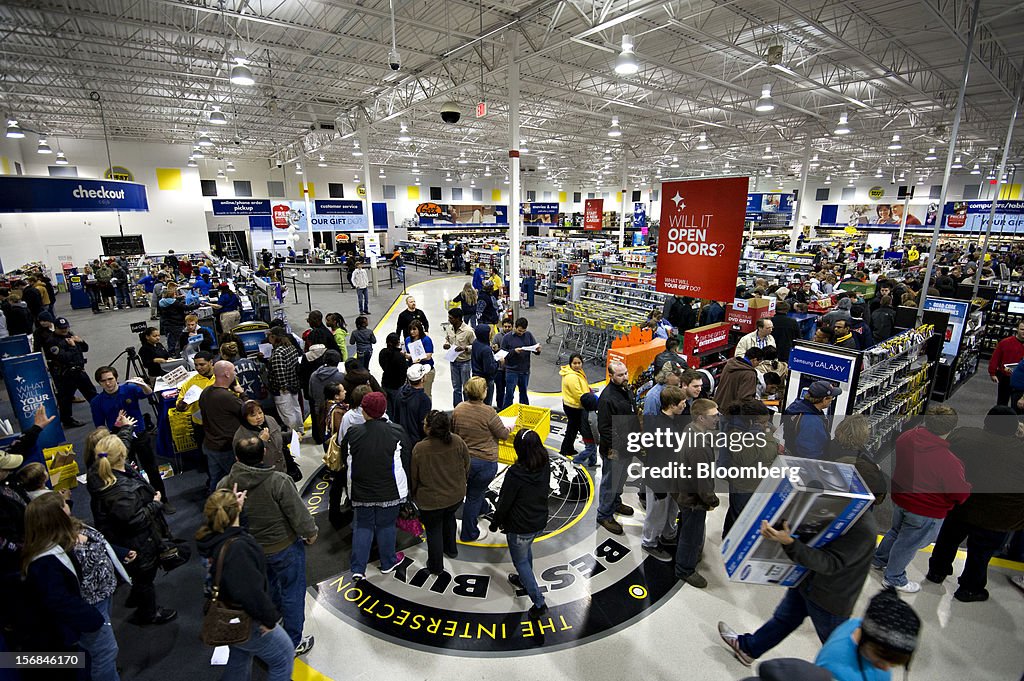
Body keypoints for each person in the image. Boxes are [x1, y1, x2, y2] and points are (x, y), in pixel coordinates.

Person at [718, 504, 878, 667]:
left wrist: (790, 543)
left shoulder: (863, 529)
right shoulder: (842, 510)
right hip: (807, 582)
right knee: (784, 620)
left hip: (831, 598)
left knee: (840, 646)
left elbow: (829, 563)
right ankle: (748, 649)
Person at [219, 435, 317, 654]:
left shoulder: (225, 484)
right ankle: (293, 642)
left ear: (236, 457)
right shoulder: (278, 481)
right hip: (284, 548)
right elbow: (298, 514)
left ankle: (275, 619)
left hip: (252, 552)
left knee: (270, 586)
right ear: (264, 452)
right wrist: (310, 533)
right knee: (292, 591)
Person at [21, 491, 130, 681]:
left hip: (102, 598)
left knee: (97, 653)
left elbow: (97, 544)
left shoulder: (66, 530)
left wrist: (120, 553)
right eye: (65, 503)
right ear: (57, 516)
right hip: (89, 609)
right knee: (106, 652)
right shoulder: (44, 561)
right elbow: (59, 600)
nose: (69, 503)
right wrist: (91, 619)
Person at [194, 488, 295, 681]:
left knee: (240, 656)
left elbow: (235, 531)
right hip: (248, 620)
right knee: (283, 657)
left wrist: (236, 509)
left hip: (228, 615)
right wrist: (269, 620)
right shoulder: (238, 550)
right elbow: (250, 593)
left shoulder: (210, 536)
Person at [926, 406, 1024, 601]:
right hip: (1000, 515)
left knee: (948, 538)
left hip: (962, 504)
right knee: (981, 551)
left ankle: (937, 571)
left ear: (986, 422)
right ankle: (970, 588)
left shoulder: (964, 436)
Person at [873, 406, 970, 593]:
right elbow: (959, 493)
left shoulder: (907, 437)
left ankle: (879, 559)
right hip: (925, 510)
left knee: (895, 532)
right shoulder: (949, 461)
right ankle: (894, 578)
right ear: (951, 428)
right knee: (908, 543)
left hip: (901, 499)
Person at [87, 433, 177, 625]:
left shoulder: (99, 469)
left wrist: (126, 430)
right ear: (123, 454)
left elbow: (121, 443)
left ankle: (136, 594)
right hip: (137, 541)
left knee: (139, 575)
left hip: (120, 536)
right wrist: (155, 504)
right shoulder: (121, 492)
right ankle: (149, 613)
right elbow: (135, 521)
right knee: (145, 576)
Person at [339, 392, 412, 580]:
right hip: (390, 490)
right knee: (386, 525)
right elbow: (406, 460)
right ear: (384, 410)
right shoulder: (396, 431)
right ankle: (388, 562)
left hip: (361, 490)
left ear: (364, 411)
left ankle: (357, 568)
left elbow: (344, 460)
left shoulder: (353, 433)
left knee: (362, 526)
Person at [491, 429, 550, 618]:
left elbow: (504, 503)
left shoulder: (516, 474)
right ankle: (525, 580)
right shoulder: (545, 463)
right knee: (526, 553)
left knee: (521, 561)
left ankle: (539, 602)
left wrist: (495, 523)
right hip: (539, 520)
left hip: (520, 526)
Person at [91, 366, 169, 508]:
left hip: (140, 434)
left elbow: (149, 393)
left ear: (116, 378)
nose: (108, 383)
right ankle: (141, 503)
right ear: (99, 383)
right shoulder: (97, 402)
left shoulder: (129, 389)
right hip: (118, 439)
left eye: (111, 379)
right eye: (104, 381)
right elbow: (100, 426)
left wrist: (143, 385)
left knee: (151, 468)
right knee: (129, 472)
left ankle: (163, 499)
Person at [814, 589, 921, 681]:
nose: (886, 668)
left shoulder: (858, 624)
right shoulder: (837, 670)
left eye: (892, 665)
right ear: (865, 639)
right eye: (881, 660)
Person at [410, 410, 470, 575]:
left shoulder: (420, 449)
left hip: (431, 501)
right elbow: (467, 464)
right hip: (456, 496)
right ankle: (451, 549)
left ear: (429, 428)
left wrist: (414, 495)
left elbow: (414, 477)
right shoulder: (457, 441)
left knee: (434, 530)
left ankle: (436, 566)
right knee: (449, 519)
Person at [452, 377, 510, 543]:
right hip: (485, 462)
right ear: (483, 392)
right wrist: (508, 428)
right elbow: (503, 435)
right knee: (473, 496)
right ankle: (468, 533)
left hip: (463, 461)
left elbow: (454, 431)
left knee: (474, 493)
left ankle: (482, 508)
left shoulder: (459, 408)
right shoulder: (489, 412)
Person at [670, 398, 721, 588]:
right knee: (692, 536)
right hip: (693, 498)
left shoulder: (690, 428)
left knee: (686, 528)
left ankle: (683, 556)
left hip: (682, 491)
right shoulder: (698, 446)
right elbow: (703, 481)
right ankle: (684, 569)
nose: (718, 418)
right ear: (701, 418)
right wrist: (712, 500)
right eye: (714, 416)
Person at [639, 385, 685, 562]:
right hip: (659, 480)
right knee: (656, 514)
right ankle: (649, 542)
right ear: (671, 405)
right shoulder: (661, 428)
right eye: (681, 404)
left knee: (670, 511)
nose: (684, 406)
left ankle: (668, 534)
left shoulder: (671, 421)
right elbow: (656, 459)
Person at [722, 399, 780, 537]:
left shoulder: (759, 427)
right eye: (764, 422)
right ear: (750, 422)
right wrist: (756, 436)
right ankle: (731, 543)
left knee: (739, 514)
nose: (767, 425)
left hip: (756, 482)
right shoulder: (735, 433)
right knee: (739, 517)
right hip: (744, 484)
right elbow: (744, 458)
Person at [596, 360, 639, 535]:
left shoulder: (626, 390)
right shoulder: (607, 398)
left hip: (628, 445)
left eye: (625, 373)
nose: (625, 377)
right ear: (611, 376)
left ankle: (615, 502)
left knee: (621, 479)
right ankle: (604, 514)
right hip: (614, 448)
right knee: (610, 482)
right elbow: (605, 429)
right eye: (620, 375)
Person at [198, 361, 246, 492]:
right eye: (234, 371)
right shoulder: (226, 396)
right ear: (226, 374)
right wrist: (242, 393)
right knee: (236, 481)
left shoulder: (205, 392)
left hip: (210, 444)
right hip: (226, 447)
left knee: (216, 480)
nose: (235, 374)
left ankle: (216, 507)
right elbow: (249, 411)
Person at [46, 316, 98, 428]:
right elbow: (64, 357)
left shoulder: (70, 335)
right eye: (61, 328)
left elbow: (85, 349)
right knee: (65, 399)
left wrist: (81, 341)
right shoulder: (52, 342)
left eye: (66, 327)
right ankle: (67, 421)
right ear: (56, 328)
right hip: (65, 374)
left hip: (79, 370)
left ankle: (101, 411)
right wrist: (73, 347)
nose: (64, 330)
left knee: (92, 393)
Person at [233, 401, 294, 475]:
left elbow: (278, 436)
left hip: (282, 469)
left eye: (260, 413)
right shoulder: (241, 437)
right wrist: (262, 441)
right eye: (253, 415)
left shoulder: (270, 420)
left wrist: (292, 435)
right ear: (245, 418)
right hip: (262, 475)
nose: (259, 417)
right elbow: (247, 461)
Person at [783, 380, 840, 459]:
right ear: (824, 399)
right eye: (832, 398)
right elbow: (809, 453)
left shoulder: (799, 406)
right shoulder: (811, 422)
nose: (831, 401)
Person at [175, 351, 216, 450]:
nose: (198, 368)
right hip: (201, 426)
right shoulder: (191, 382)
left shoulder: (222, 376)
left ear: (211, 362)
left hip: (221, 424)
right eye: (196, 365)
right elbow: (179, 403)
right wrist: (182, 405)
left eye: (202, 364)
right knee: (204, 453)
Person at [267, 327, 304, 434]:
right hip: (294, 384)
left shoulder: (278, 353)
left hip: (283, 389)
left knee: (287, 412)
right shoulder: (291, 347)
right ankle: (299, 430)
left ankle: (292, 433)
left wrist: (283, 387)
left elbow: (280, 374)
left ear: (273, 337)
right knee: (296, 408)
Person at [501, 317, 541, 407]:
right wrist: (514, 351)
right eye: (519, 331)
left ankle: (524, 413)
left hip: (525, 371)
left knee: (523, 394)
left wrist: (537, 350)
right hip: (511, 371)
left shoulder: (528, 335)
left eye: (523, 331)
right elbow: (502, 353)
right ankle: (506, 414)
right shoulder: (507, 338)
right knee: (509, 394)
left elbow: (535, 350)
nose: (521, 333)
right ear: (515, 327)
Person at [560, 353, 594, 458]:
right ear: (570, 364)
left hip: (575, 405)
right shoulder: (571, 377)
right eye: (574, 363)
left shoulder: (577, 372)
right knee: (573, 428)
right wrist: (590, 401)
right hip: (573, 407)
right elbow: (578, 394)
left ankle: (567, 448)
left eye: (579, 363)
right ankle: (566, 449)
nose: (577, 365)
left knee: (572, 428)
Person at [309, 349, 344, 446]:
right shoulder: (340, 377)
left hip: (319, 410)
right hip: (336, 411)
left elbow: (310, 394)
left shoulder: (314, 375)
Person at [715, 346, 764, 414]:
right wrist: (758, 403)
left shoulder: (730, 364)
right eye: (759, 362)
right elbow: (745, 398)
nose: (758, 365)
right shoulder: (749, 374)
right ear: (755, 360)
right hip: (731, 412)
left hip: (718, 405)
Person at [444, 310, 476, 406]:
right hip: (453, 361)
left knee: (466, 387)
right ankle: (457, 407)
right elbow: (447, 339)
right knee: (456, 388)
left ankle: (467, 407)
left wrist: (465, 348)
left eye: (451, 318)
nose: (449, 320)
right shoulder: (449, 328)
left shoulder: (468, 331)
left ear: (458, 319)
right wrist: (446, 344)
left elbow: (475, 345)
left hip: (465, 362)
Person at [989, 320, 1024, 407]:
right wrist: (992, 373)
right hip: (1005, 377)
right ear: (1017, 329)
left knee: (1018, 405)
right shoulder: (1005, 342)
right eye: (1022, 329)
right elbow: (995, 358)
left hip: (1021, 380)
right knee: (1002, 402)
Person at [396, 364, 432, 444]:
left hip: (401, 438)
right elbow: (423, 425)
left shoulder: (400, 391)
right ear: (422, 379)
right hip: (416, 441)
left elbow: (396, 416)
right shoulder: (424, 400)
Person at [379, 333, 408, 418]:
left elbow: (382, 365)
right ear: (398, 342)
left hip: (385, 383)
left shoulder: (383, 353)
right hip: (397, 386)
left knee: (388, 408)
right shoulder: (399, 357)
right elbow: (403, 372)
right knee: (397, 410)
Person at [403, 320, 435, 398]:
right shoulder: (407, 340)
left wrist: (414, 357)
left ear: (419, 330)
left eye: (414, 329)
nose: (412, 332)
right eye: (410, 329)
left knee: (426, 393)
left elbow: (428, 355)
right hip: (413, 369)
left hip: (426, 369)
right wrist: (405, 355)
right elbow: (406, 352)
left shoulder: (426, 340)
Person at [471, 323, 500, 406]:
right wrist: (498, 362)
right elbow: (489, 369)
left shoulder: (476, 343)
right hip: (485, 381)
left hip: (476, 378)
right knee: (486, 405)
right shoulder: (486, 350)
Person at [492, 317, 513, 410]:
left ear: (512, 327)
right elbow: (493, 348)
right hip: (500, 369)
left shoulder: (514, 337)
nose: (507, 328)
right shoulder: (497, 336)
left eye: (509, 326)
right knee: (500, 390)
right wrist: (494, 348)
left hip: (511, 369)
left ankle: (509, 408)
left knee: (509, 391)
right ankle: (500, 408)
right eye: (505, 326)